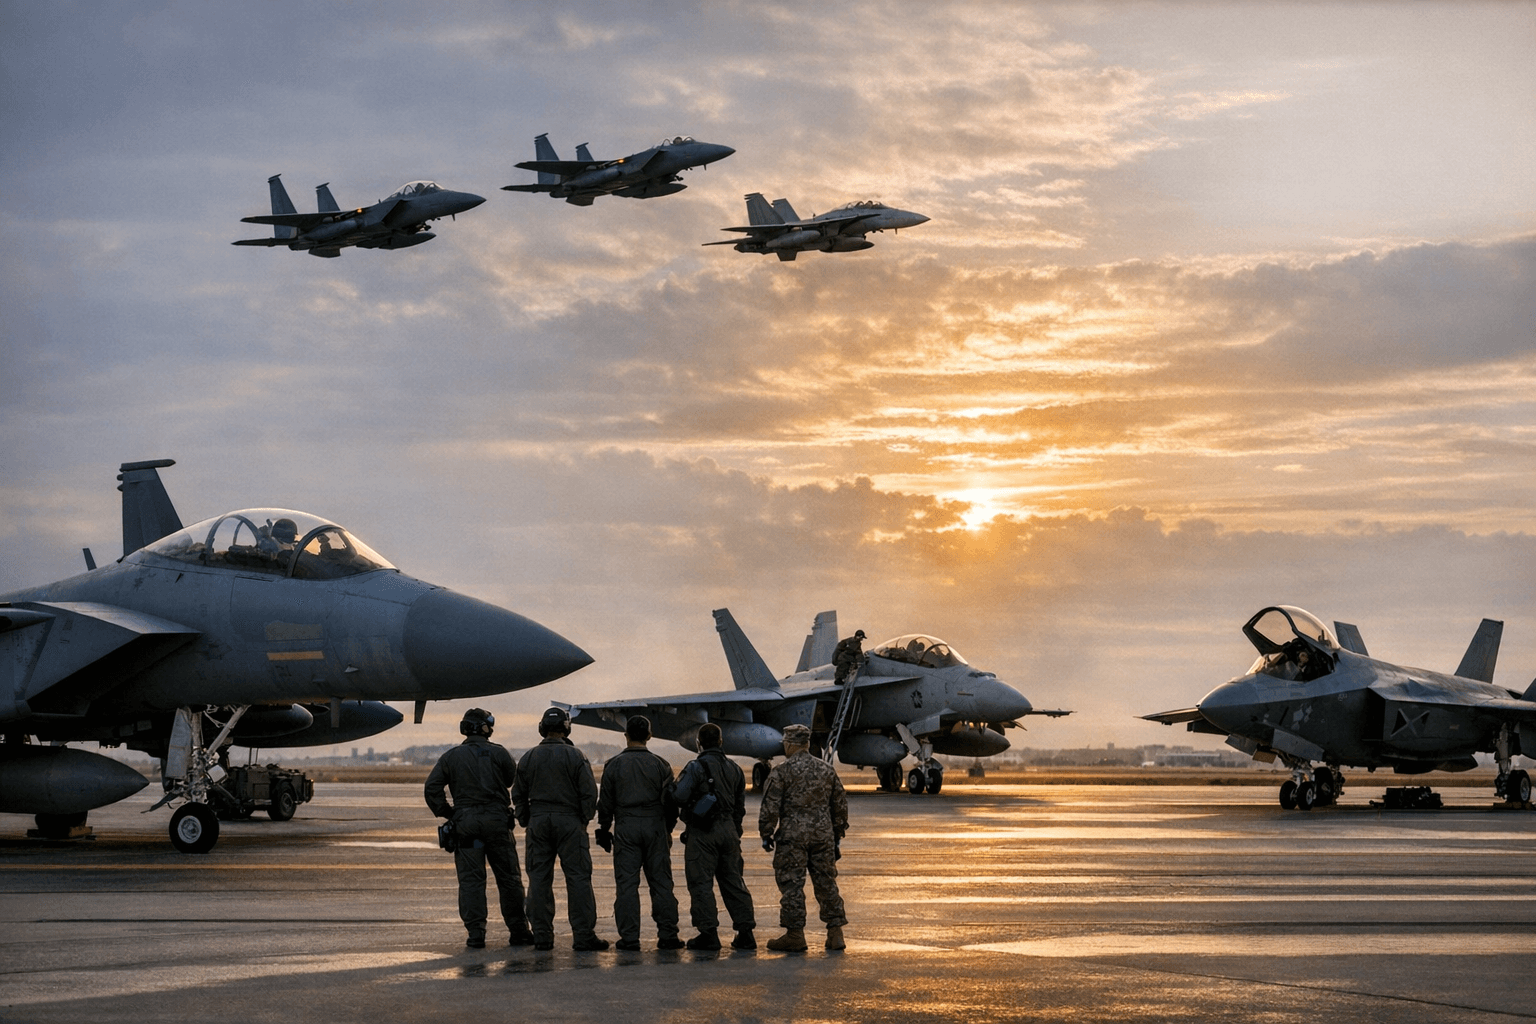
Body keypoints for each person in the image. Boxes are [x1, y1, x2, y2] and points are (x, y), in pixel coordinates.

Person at [423, 708, 533, 949]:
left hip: (466, 826)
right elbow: (510, 780)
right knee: (509, 879)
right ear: (485, 728)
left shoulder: (451, 757)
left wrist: (449, 812)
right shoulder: (499, 753)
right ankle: (519, 931)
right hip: (496, 824)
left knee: (471, 881)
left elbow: (431, 788)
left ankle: (476, 934)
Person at [513, 706, 609, 951]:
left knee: (538, 879)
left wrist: (526, 820)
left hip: (538, 821)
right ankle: (583, 936)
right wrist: (583, 820)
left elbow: (518, 794)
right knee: (578, 878)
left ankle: (542, 935)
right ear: (566, 728)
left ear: (542, 728)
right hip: (570, 822)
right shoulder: (576, 756)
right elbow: (589, 793)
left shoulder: (528, 757)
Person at [596, 715, 685, 951]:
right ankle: (668, 935)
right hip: (655, 826)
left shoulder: (613, 765)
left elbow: (605, 803)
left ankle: (629, 938)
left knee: (626, 885)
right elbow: (671, 804)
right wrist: (667, 830)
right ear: (649, 735)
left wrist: (604, 827)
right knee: (662, 883)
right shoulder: (661, 765)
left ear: (626, 735)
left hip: (626, 827)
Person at [758, 722, 849, 951]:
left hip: (793, 838)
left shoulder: (782, 771)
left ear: (790, 744)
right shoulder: (826, 770)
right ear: (807, 744)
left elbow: (770, 807)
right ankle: (835, 933)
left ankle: (795, 935)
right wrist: (837, 835)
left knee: (792, 885)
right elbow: (840, 805)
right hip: (823, 836)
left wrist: (766, 833)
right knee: (826, 883)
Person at [672, 722, 756, 950]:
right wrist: (734, 829)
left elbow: (679, 796)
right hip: (729, 830)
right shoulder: (735, 769)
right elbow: (739, 807)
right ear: (720, 742)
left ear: (698, 743)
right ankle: (745, 933)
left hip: (703, 831)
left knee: (701, 883)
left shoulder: (695, 767)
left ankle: (708, 933)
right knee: (734, 881)